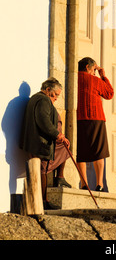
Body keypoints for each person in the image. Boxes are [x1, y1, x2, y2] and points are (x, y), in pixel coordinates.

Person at [20, 77, 70, 210]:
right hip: (40, 142)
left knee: (43, 168)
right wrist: (58, 134)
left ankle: (45, 198)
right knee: (42, 169)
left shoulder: (36, 98)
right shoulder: (43, 100)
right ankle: (43, 202)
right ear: (48, 90)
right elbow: (43, 120)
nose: (56, 98)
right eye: (56, 95)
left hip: (36, 141)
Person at [76, 57, 114, 192]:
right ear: (87, 67)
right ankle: (99, 184)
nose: (94, 72)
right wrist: (103, 76)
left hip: (79, 118)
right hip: (96, 118)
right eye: (94, 69)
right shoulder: (95, 80)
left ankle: (84, 183)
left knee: (80, 151)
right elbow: (109, 94)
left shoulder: (74, 79)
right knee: (99, 152)